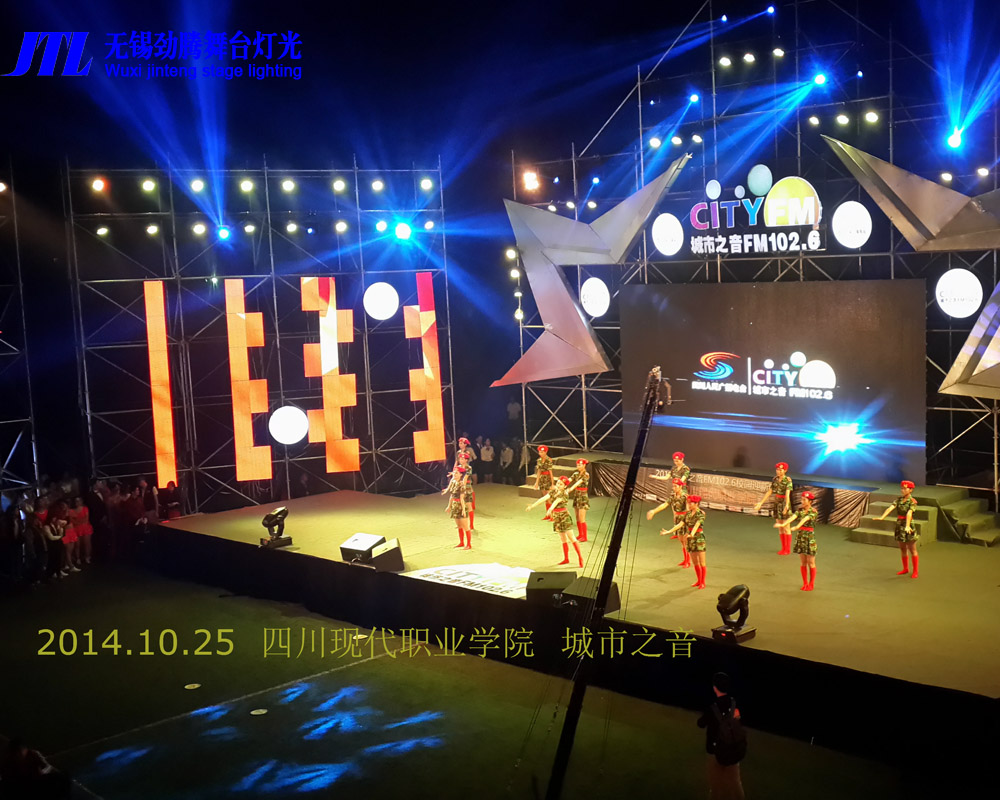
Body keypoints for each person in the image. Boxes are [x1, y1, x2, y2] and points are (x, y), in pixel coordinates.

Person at [696, 673, 746, 800]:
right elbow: (738, 720)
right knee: (736, 784)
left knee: (715, 786)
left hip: (715, 752)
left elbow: (701, 723)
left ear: (715, 688)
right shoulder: (734, 703)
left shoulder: (713, 708)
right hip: (733, 748)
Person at [526, 475, 583, 567]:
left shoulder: (564, 493)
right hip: (557, 517)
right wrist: (532, 506)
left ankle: (580, 557)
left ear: (565, 486)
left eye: (561, 484)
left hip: (564, 517)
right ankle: (566, 558)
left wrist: (550, 509)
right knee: (563, 539)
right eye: (558, 483)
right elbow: (543, 499)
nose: (558, 485)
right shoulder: (553, 491)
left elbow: (556, 501)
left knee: (571, 537)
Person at [0, 737, 71, 799]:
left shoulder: (7, 761)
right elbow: (39, 777)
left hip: (19, 789)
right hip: (27, 790)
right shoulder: (25, 760)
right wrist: (46, 766)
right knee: (62, 777)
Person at [662, 495, 707, 588]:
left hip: (699, 539)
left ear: (696, 504)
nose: (689, 505)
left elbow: (697, 525)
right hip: (690, 539)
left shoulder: (701, 514)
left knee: (702, 562)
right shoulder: (688, 514)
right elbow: (680, 524)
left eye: (691, 503)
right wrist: (668, 531)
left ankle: (702, 582)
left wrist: (692, 534)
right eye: (689, 503)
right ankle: (698, 580)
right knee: (695, 562)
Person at [878, 480, 919, 578]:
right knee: (902, 548)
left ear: (911, 490)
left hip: (908, 526)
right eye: (902, 488)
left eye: (905, 488)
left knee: (912, 549)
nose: (902, 490)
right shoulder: (899, 500)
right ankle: (905, 568)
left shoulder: (912, 502)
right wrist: (882, 517)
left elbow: (909, 513)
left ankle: (915, 571)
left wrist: (907, 526)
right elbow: (890, 508)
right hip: (899, 525)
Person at [647, 478, 690, 568]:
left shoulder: (685, 496)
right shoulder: (673, 496)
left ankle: (688, 561)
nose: (674, 488)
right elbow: (665, 504)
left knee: (685, 541)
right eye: (673, 486)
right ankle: (685, 559)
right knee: (681, 540)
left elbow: (689, 509)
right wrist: (654, 511)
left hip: (684, 520)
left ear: (680, 486)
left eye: (675, 486)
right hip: (677, 518)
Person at [754, 462, 793, 554]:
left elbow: (787, 494)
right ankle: (783, 548)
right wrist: (761, 502)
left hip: (784, 503)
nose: (778, 471)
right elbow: (770, 491)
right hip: (777, 503)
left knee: (786, 527)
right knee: (780, 526)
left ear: (785, 470)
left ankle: (787, 549)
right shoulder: (775, 479)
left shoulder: (788, 480)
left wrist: (787, 505)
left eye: (781, 470)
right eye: (777, 469)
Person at [787, 491, 818, 590]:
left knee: (811, 562)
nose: (802, 501)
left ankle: (811, 584)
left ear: (810, 502)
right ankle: (805, 583)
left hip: (809, 538)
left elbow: (805, 519)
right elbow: (793, 517)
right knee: (803, 562)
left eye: (804, 500)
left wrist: (797, 527)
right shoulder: (800, 510)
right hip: (800, 537)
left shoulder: (813, 511)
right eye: (802, 499)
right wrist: (784, 524)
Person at [441, 465, 472, 549]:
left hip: (460, 505)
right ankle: (461, 542)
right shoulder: (454, 482)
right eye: (454, 473)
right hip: (455, 505)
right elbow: (452, 495)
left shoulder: (461, 485)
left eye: (456, 473)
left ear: (461, 474)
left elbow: (462, 498)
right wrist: (449, 506)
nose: (454, 474)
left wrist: (463, 510)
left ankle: (468, 544)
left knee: (465, 526)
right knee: (459, 526)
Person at [532, 446, 555, 520]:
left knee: (549, 498)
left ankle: (553, 515)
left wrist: (552, 483)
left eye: (542, 452)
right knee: (545, 498)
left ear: (546, 452)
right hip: (542, 479)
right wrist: (536, 482)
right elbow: (539, 471)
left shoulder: (549, 460)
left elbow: (551, 472)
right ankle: (547, 515)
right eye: (539, 452)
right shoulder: (539, 460)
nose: (540, 453)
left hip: (548, 479)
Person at [571, 459, 590, 542]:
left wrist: (570, 489)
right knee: (577, 517)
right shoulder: (575, 474)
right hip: (576, 496)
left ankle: (584, 536)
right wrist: (562, 482)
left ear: (584, 465)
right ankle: (580, 534)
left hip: (583, 497)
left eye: (580, 465)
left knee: (582, 518)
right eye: (577, 465)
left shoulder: (586, 475)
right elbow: (569, 480)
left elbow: (578, 483)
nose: (578, 466)